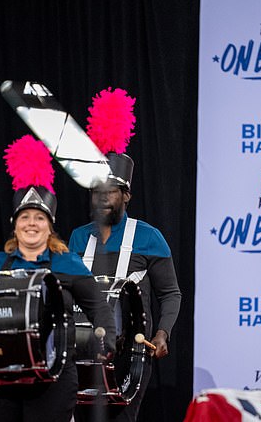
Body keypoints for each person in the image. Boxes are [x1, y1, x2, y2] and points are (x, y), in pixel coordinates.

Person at [0, 134, 116, 422]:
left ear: (50, 226)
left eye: (39, 218)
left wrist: (107, 340)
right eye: (25, 218)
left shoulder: (68, 263)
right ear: (15, 225)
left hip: (53, 380)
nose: (32, 224)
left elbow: (99, 307)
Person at [69, 88, 182, 421]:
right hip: (78, 353)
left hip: (130, 354)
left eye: (111, 191)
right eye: (96, 190)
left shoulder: (149, 237)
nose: (103, 197)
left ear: (126, 195)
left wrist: (162, 335)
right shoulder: (78, 237)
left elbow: (170, 293)